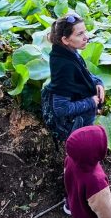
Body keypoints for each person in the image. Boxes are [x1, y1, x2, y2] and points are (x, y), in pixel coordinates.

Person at [41, 13, 106, 143]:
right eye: (80, 34)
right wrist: (91, 102)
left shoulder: (68, 51)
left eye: (85, 32)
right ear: (65, 39)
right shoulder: (64, 65)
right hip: (74, 127)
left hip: (82, 119)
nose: (86, 37)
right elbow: (61, 109)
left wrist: (98, 82)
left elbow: (84, 74)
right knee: (81, 156)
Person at [64, 125, 111, 218]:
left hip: (77, 211)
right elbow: (104, 211)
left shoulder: (70, 159)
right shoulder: (97, 182)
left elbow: (69, 180)